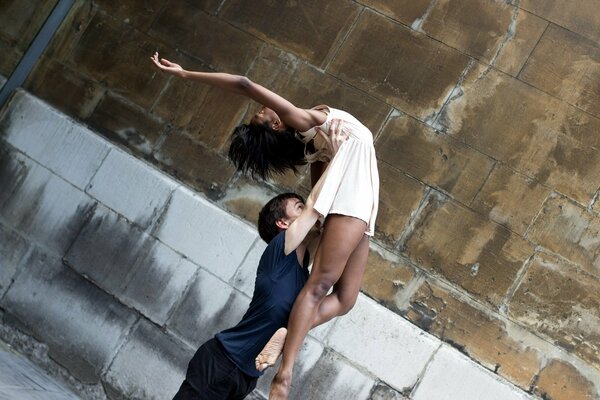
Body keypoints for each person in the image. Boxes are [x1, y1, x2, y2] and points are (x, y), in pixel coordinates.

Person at [152, 52, 379, 400]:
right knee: (320, 286)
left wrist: (328, 171)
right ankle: (284, 376)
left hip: (361, 195)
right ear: (276, 124)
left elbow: (316, 201)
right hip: (223, 362)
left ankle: (288, 333)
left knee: (346, 298)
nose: (265, 107)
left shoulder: (315, 148)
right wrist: (185, 74)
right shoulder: (305, 124)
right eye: (263, 113)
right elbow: (244, 84)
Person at [173, 193, 317, 400]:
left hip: (247, 376)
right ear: (283, 223)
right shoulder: (279, 248)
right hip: (222, 362)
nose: (306, 211)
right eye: (299, 207)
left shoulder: (303, 268)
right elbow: (316, 207)